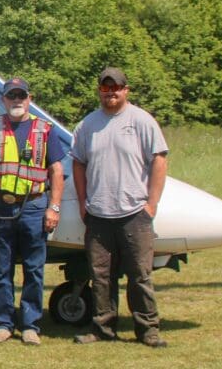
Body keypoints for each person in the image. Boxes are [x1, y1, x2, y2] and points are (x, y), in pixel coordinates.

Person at [71, 67, 169, 348]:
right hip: (99, 214)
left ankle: (147, 329)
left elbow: (159, 160)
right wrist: (82, 201)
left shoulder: (141, 121)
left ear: (126, 90)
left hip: (134, 214)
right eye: (105, 88)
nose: (110, 93)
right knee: (101, 276)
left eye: (116, 88)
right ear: (99, 90)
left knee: (139, 275)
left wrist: (151, 204)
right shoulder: (88, 125)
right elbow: (78, 162)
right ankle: (103, 328)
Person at [0, 78, 65, 345]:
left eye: (21, 95)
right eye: (11, 95)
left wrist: (54, 207)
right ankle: (3, 323)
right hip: (1, 207)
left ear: (29, 98)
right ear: (3, 99)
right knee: (1, 269)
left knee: (34, 269)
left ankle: (30, 325)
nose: (17, 100)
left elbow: (56, 171)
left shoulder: (45, 129)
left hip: (34, 207)